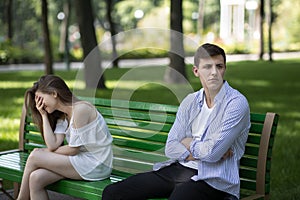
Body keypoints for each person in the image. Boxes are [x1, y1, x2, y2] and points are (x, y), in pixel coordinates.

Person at [102, 43, 250, 200]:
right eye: (207, 67)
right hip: (181, 169)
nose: (214, 73)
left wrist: (188, 142)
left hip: (215, 179)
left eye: (219, 66)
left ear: (224, 69)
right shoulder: (190, 101)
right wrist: (202, 151)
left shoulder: (236, 104)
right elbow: (171, 147)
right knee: (113, 193)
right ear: (196, 71)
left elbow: (212, 154)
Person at [17, 75, 113, 200]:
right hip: (80, 160)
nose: (39, 104)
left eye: (41, 99)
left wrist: (44, 153)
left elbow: (73, 150)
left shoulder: (80, 109)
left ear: (54, 93)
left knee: (35, 155)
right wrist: (44, 115)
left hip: (97, 164)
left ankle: (21, 198)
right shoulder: (63, 116)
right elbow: (52, 144)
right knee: (36, 178)